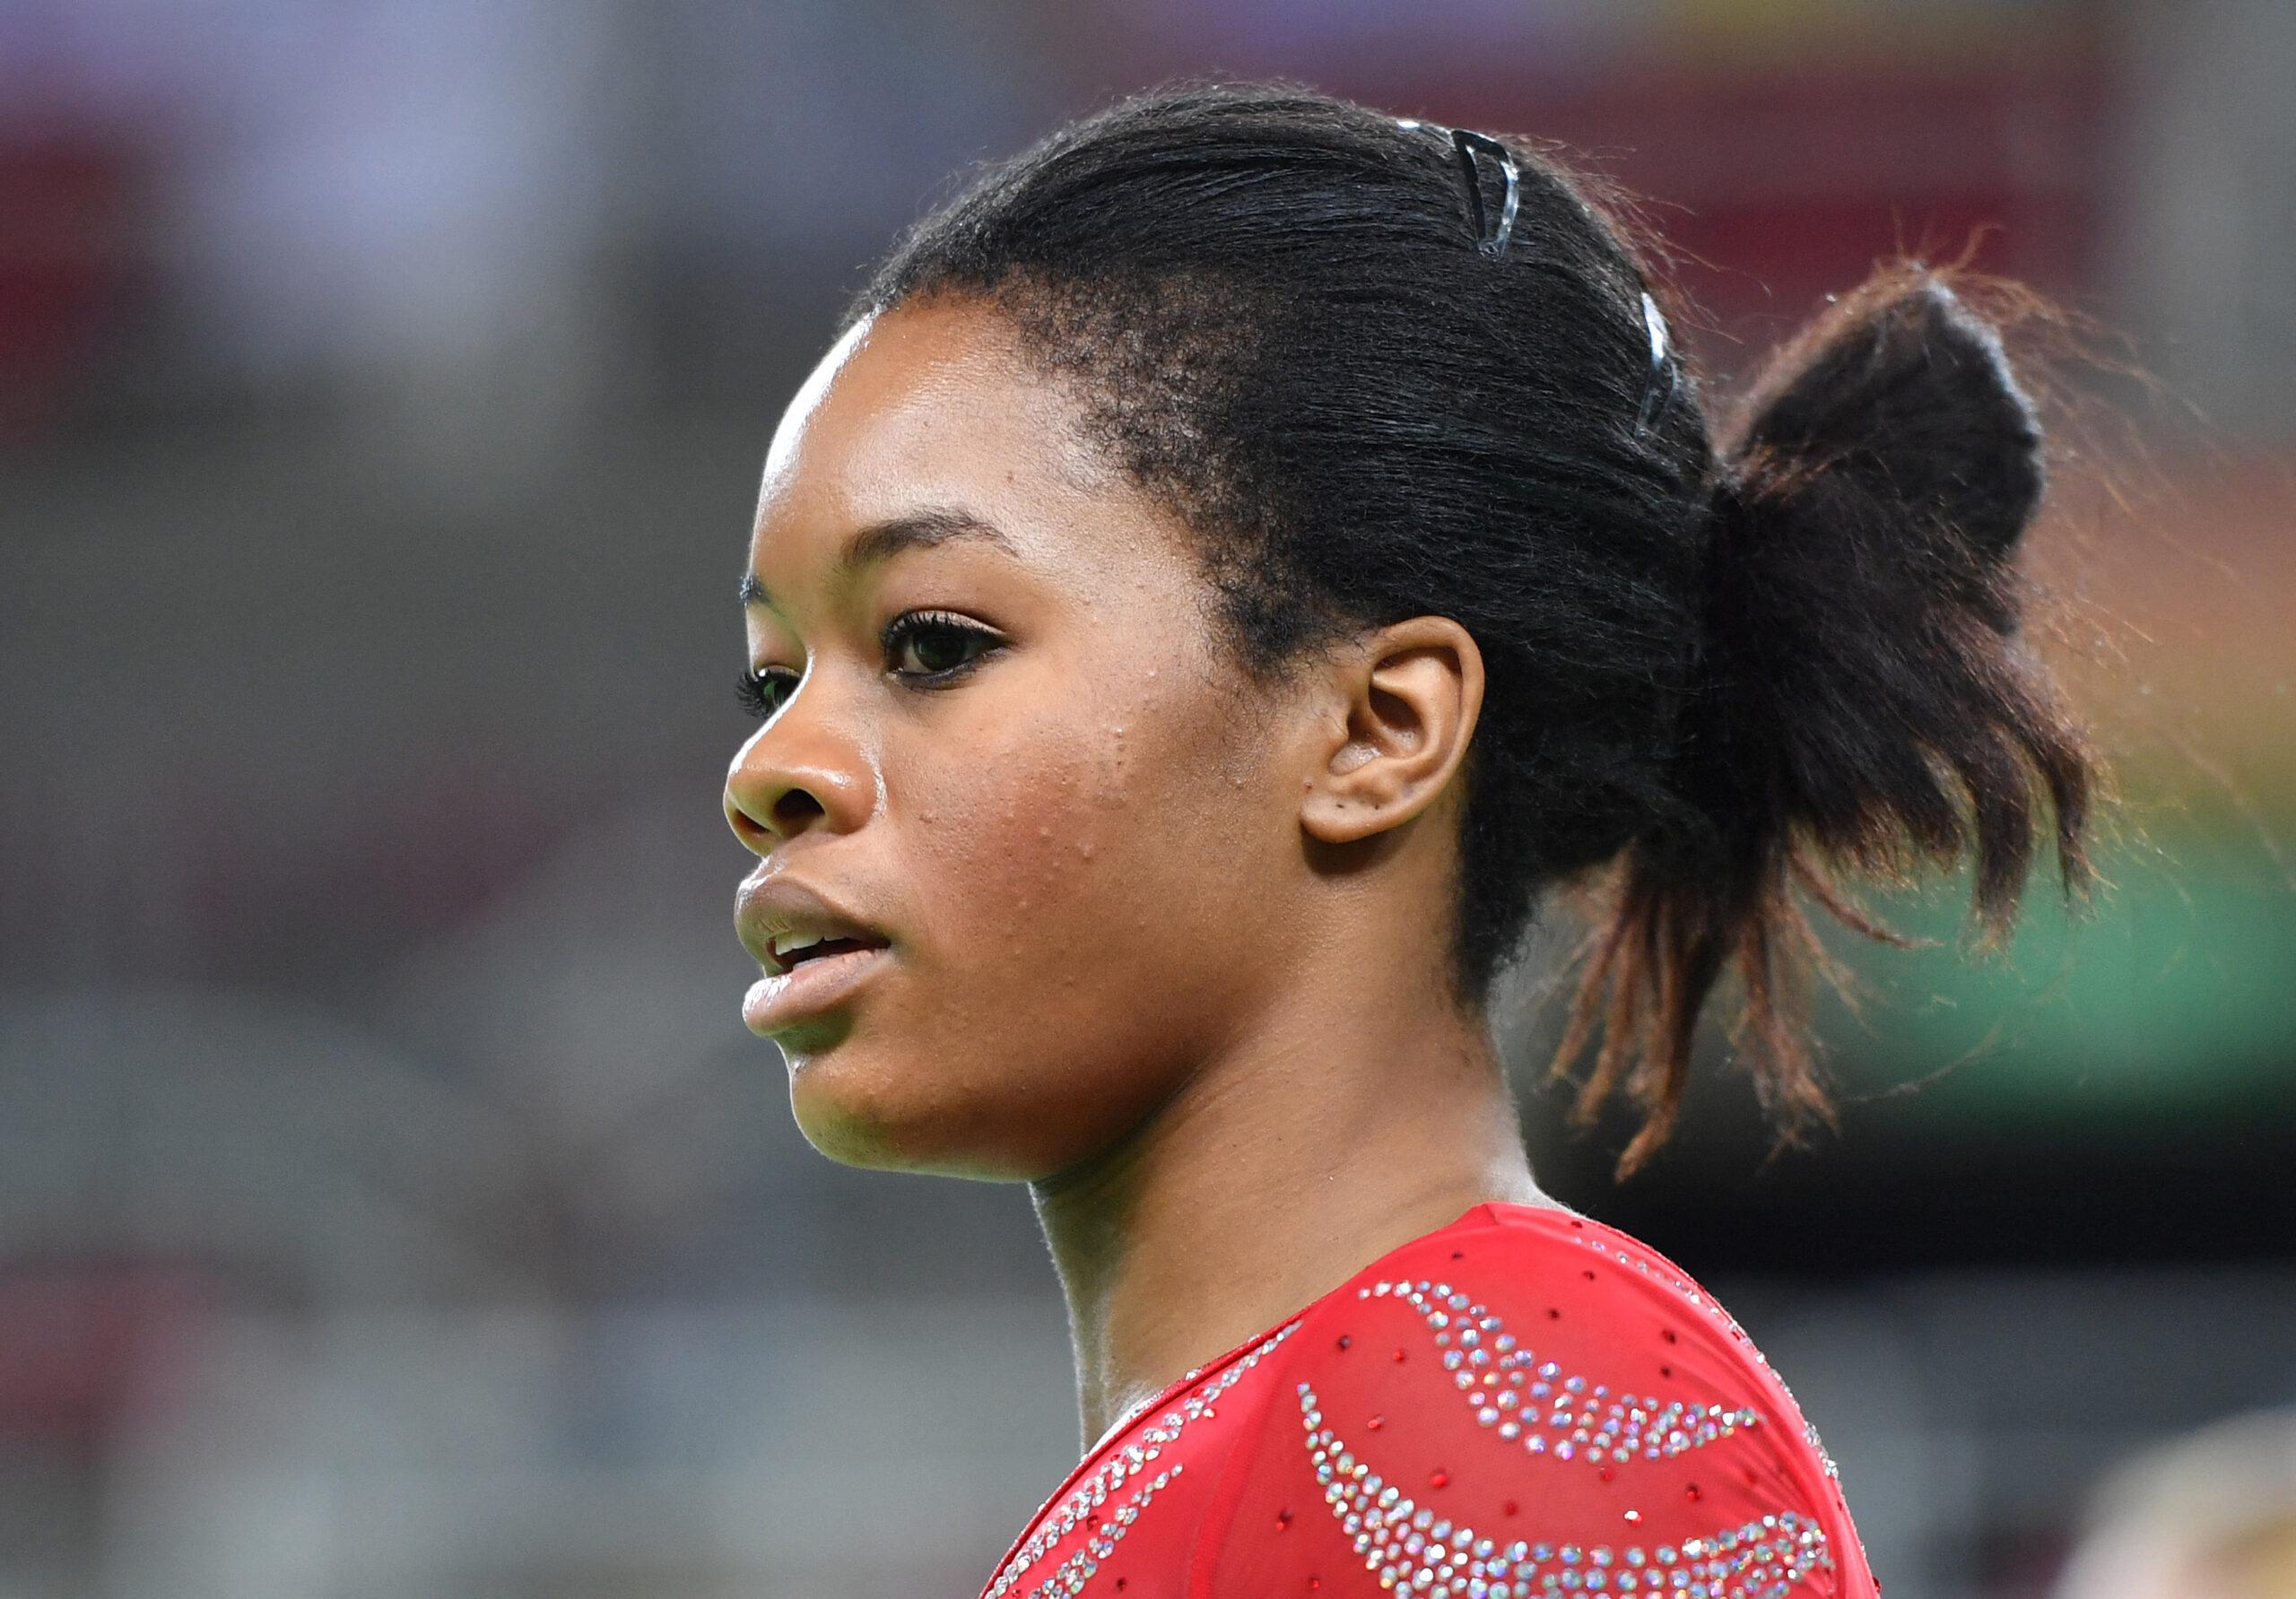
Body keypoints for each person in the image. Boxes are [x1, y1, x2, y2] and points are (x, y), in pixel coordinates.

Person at [722, 80, 2101, 1598]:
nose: (770, 770)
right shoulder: (1345, 1417)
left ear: (1378, 731)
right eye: (775, 675)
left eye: (930, 642)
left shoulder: (1505, 1429)